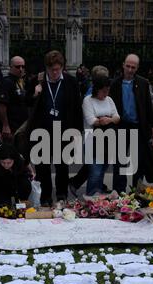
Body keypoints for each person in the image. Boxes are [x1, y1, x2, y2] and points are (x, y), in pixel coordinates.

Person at [27, 50, 82, 205]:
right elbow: (26, 102)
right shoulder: (37, 81)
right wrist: (34, 93)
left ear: (62, 67)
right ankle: (45, 197)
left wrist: (77, 133)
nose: (55, 72)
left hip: (63, 131)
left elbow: (77, 109)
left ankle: (61, 195)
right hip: (41, 131)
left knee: (62, 167)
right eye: (52, 70)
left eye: (58, 69)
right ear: (46, 68)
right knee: (43, 168)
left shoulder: (71, 82)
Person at [109, 54, 153, 193]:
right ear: (123, 65)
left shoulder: (143, 83)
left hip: (138, 126)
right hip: (121, 125)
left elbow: (149, 109)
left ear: (137, 68)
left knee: (138, 161)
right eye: (128, 66)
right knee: (120, 161)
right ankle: (119, 192)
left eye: (133, 67)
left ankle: (137, 191)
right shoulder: (115, 83)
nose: (130, 70)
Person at [69, 65, 111, 196]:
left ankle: (94, 190)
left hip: (103, 136)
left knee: (99, 168)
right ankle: (92, 194)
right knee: (96, 168)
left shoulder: (104, 95)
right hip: (93, 136)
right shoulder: (90, 96)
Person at [83, 75, 121, 195]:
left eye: (107, 90)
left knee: (102, 170)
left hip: (108, 140)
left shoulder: (109, 100)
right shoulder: (88, 100)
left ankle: (98, 196)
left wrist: (108, 120)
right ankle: (91, 196)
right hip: (92, 140)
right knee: (95, 171)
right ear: (97, 89)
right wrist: (106, 119)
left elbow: (117, 117)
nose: (106, 93)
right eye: (104, 90)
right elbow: (91, 120)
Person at [0, 144, 32, 227]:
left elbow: (26, 171)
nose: (6, 165)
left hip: (17, 183)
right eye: (3, 162)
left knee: (25, 184)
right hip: (1, 186)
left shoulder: (19, 162)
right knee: (3, 208)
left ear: (14, 160)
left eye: (9, 162)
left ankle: (21, 204)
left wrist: (32, 172)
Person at [0, 56, 32, 141]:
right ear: (11, 67)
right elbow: (2, 105)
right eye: (17, 67)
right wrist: (5, 125)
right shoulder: (6, 82)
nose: (21, 69)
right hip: (12, 126)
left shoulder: (23, 81)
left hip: (23, 125)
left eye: (23, 66)